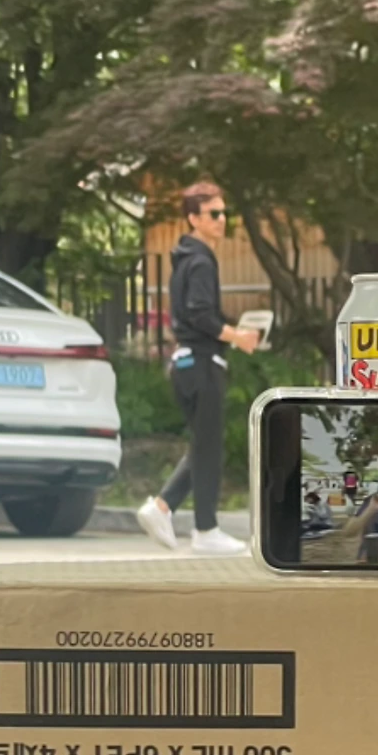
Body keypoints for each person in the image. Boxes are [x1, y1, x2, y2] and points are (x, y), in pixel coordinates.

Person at [136, 181, 260, 555]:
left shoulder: (187, 259)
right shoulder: (201, 261)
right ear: (193, 218)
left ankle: (166, 510)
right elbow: (200, 315)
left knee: (204, 445)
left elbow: (195, 313)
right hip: (201, 364)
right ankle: (202, 528)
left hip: (189, 363)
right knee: (208, 447)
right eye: (214, 214)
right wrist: (236, 337)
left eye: (224, 213)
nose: (222, 220)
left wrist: (234, 332)